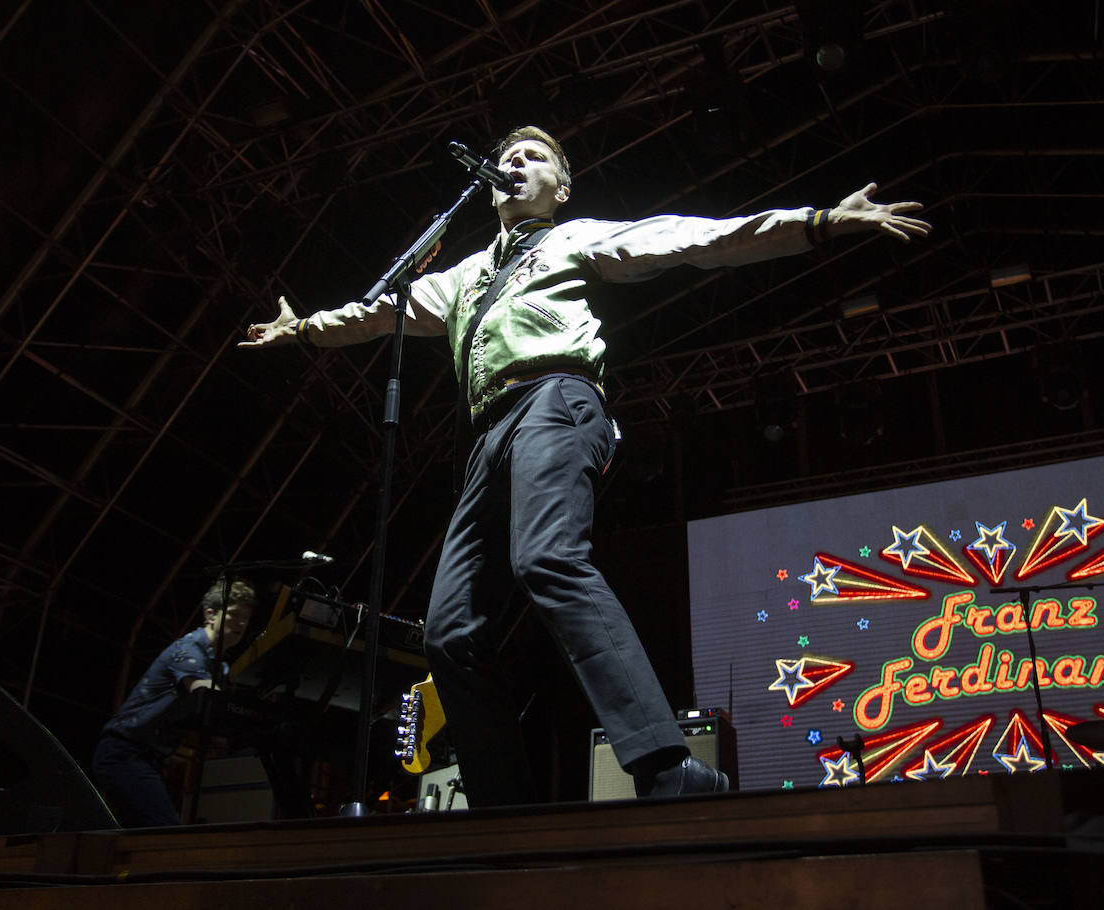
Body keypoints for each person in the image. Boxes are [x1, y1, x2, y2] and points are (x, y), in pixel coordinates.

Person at [241, 126, 930, 806]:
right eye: (508, 155)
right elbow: (376, 313)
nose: (515, 160)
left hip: (555, 400)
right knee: (450, 629)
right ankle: (500, 804)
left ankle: (667, 763)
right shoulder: (462, 279)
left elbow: (696, 238)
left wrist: (817, 222)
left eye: (534, 156)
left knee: (546, 560)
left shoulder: (575, 237)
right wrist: (302, 328)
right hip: (486, 436)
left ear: (561, 188)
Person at [93, 577, 257, 826]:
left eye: (246, 618)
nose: (241, 624)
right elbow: (205, 694)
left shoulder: (220, 666)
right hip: (124, 752)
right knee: (164, 830)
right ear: (210, 615)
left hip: (145, 758)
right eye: (234, 615)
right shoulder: (189, 649)